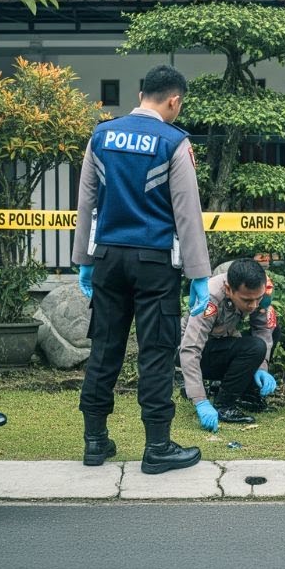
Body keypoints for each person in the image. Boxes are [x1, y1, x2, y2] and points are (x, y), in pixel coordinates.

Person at [72, 64, 211, 475]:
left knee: (104, 349)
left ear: (140, 95)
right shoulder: (174, 142)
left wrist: (83, 260)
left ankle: (95, 441)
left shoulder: (101, 135)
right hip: (154, 262)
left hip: (108, 259)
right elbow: (188, 212)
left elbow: (86, 202)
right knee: (155, 353)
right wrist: (199, 273)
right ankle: (158, 447)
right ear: (174, 100)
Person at [179, 259, 278, 431]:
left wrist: (262, 368)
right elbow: (190, 349)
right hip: (195, 350)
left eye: (258, 299)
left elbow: (262, 330)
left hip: (222, 340)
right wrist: (200, 400)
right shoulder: (209, 298)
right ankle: (224, 405)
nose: (253, 305)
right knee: (254, 347)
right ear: (228, 290)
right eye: (247, 300)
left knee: (272, 331)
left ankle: (249, 394)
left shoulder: (263, 291)